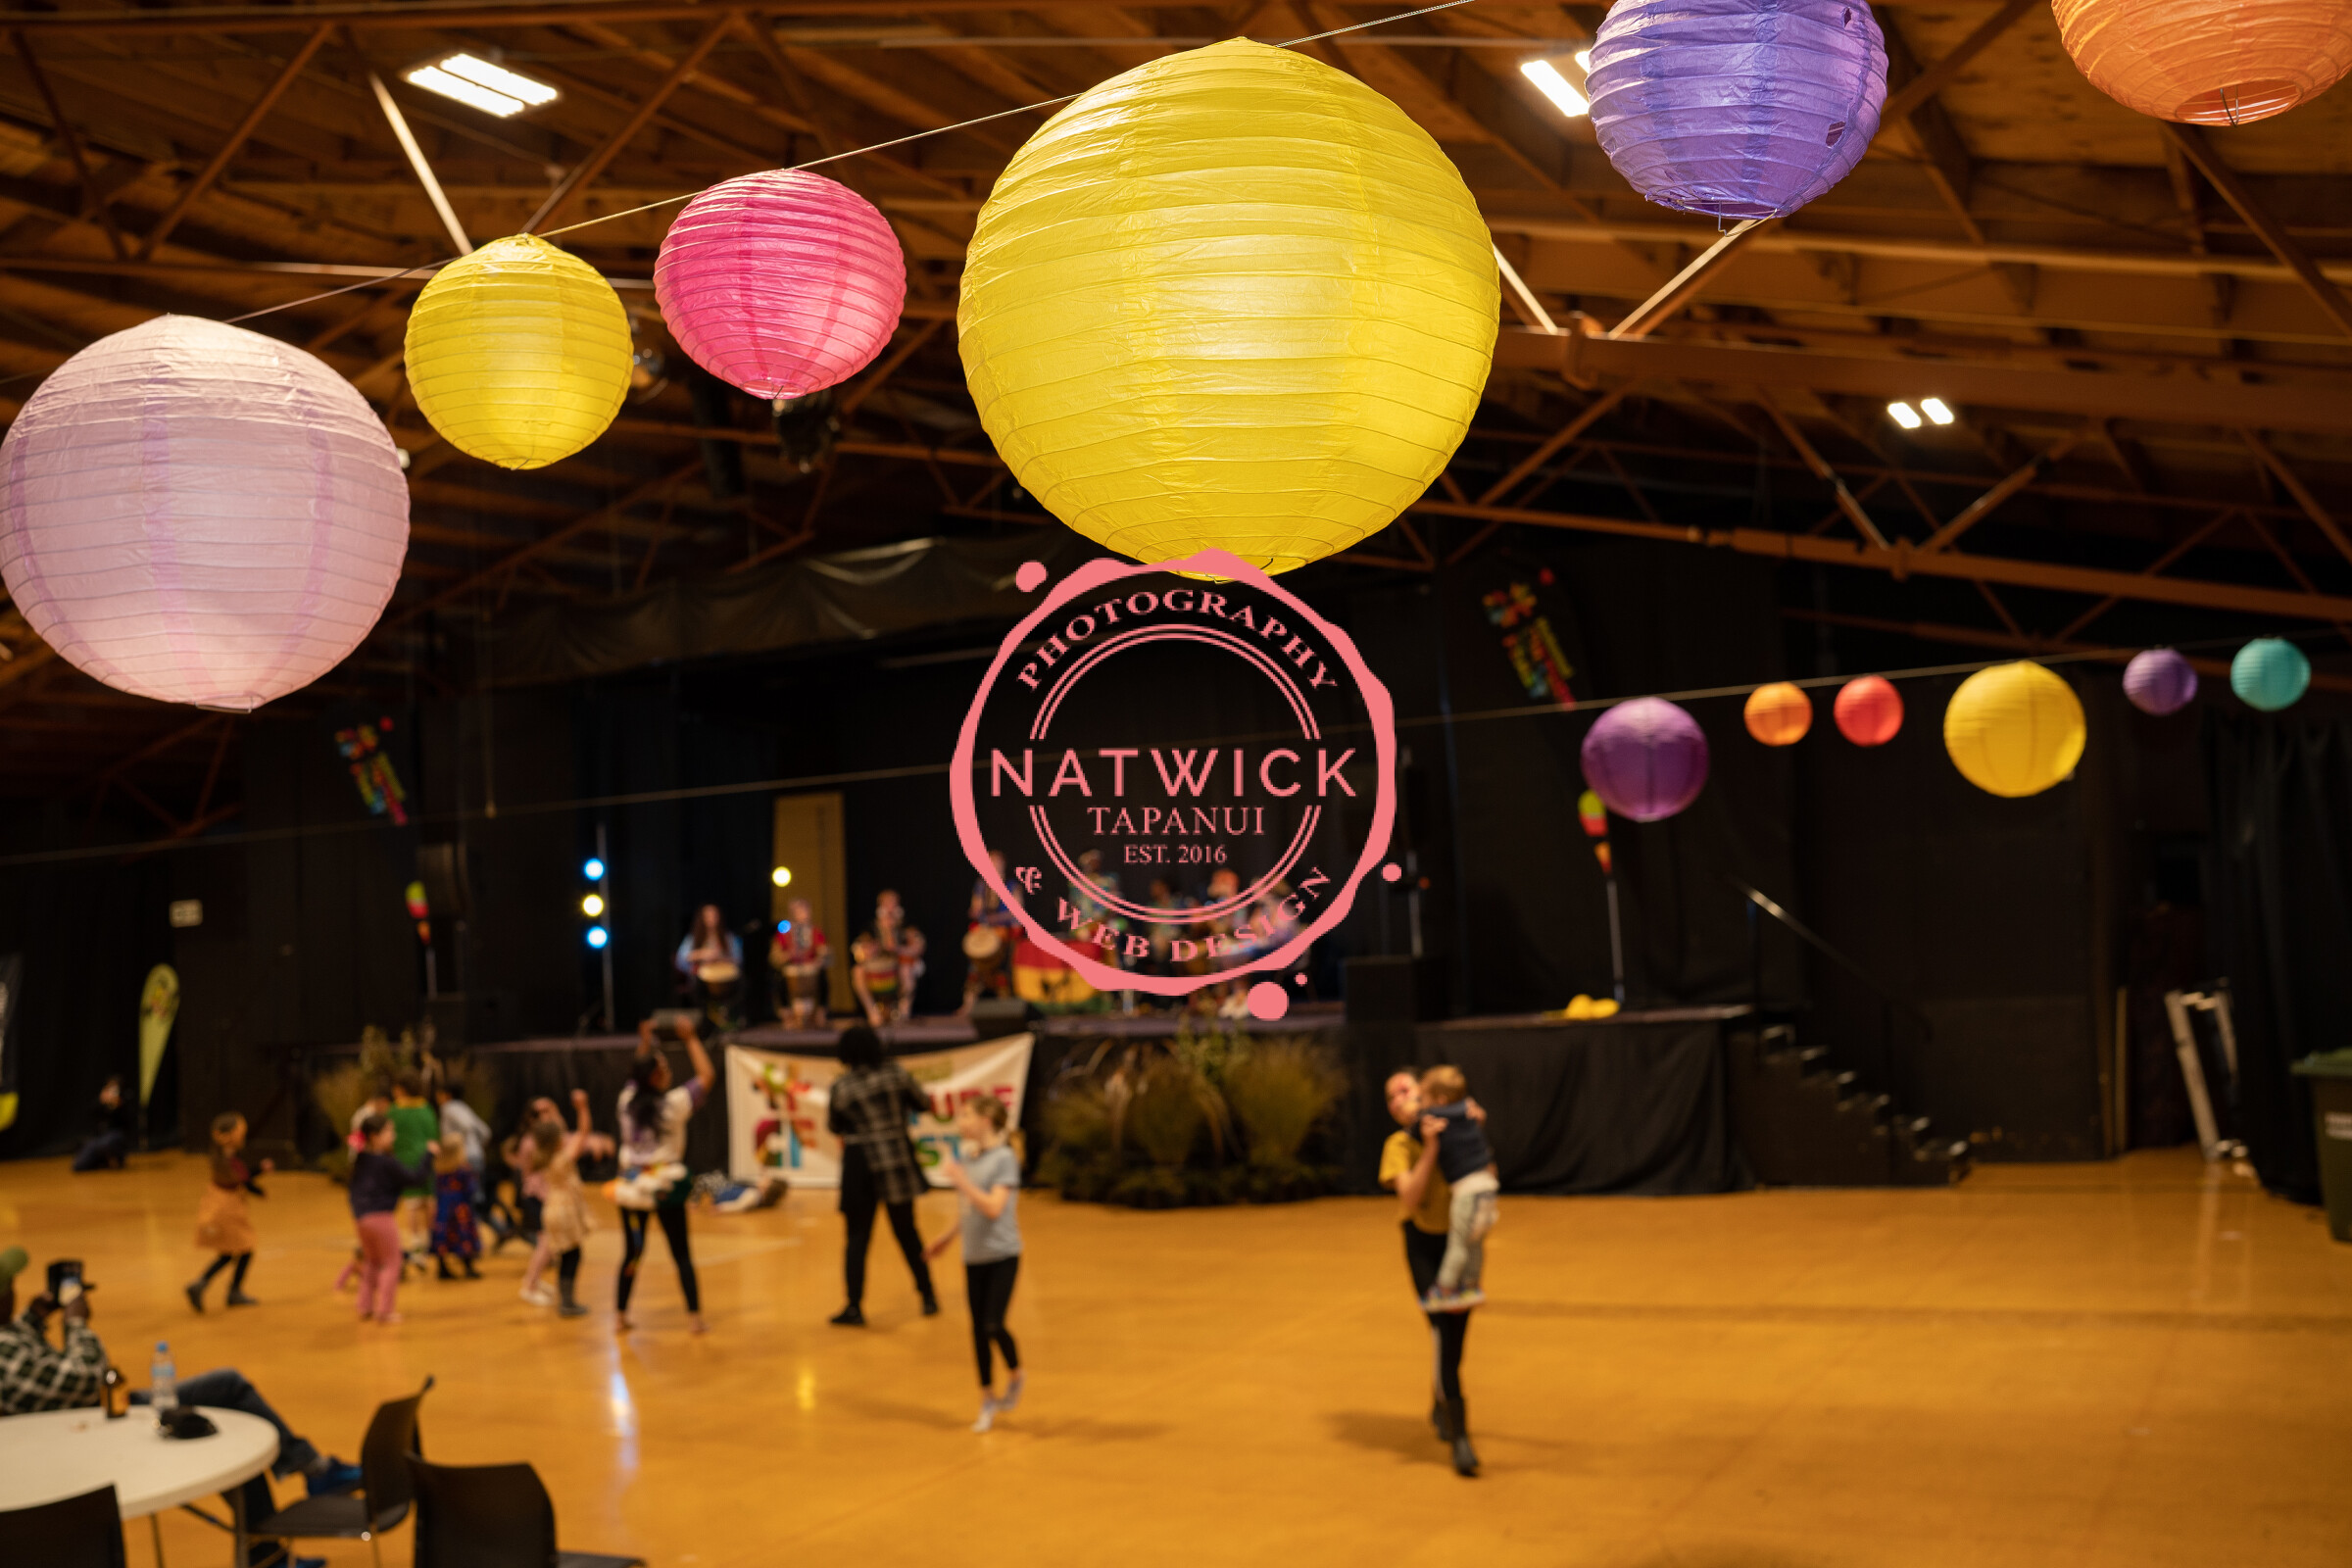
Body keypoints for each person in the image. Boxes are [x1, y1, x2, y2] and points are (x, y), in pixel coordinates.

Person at [0, 1246, 357, 1568]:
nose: (15, 1292)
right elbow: (85, 1376)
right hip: (91, 1432)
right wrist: (76, 1323)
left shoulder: (9, 1336)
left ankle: (276, 1533)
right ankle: (305, 1484)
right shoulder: (5, 1355)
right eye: (9, 1288)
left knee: (226, 1408)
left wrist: (34, 1317)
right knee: (226, 1396)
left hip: (96, 1414)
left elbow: (27, 1354)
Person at [1379, 1070, 1482, 1477]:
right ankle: (1461, 1437)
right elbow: (1412, 1196)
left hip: (1460, 1244)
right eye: (1391, 1097)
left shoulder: (1458, 1126)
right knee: (1441, 1329)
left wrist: (1471, 1127)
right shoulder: (1398, 1145)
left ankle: (1440, 1399)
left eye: (1405, 1089)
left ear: (1426, 1094)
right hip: (1422, 1245)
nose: (1399, 1099)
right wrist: (1431, 1148)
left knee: (1456, 1336)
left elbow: (1483, 1174)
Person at [924, 1095, 1024, 1432]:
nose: (960, 1122)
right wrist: (947, 1238)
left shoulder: (1004, 1159)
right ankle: (987, 1399)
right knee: (977, 1331)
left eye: (966, 1115)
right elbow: (968, 1208)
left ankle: (1016, 1374)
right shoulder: (969, 1157)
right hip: (973, 1256)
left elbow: (994, 1207)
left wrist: (960, 1180)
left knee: (993, 1324)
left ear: (986, 1121)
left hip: (1003, 1255)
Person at [826, 1023, 938, 1325]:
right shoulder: (896, 1074)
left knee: (857, 1237)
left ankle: (854, 1306)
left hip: (859, 1163)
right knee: (907, 1231)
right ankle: (928, 1296)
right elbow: (923, 1103)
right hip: (895, 1158)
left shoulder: (842, 1087)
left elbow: (834, 1126)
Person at [615, 1018, 715, 1333]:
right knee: (681, 1252)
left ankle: (619, 1315)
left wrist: (645, 1041)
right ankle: (694, 1318)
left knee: (633, 1251)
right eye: (664, 1067)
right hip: (663, 1188)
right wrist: (691, 1038)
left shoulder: (625, 1102)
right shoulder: (673, 1105)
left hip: (632, 1189)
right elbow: (707, 1076)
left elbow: (636, 1073)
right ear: (656, 1076)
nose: (669, 1071)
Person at [1418, 1064, 1498, 1313]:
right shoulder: (1467, 1111)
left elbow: (1416, 1121)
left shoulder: (1436, 1117)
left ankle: (1443, 1289)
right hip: (1488, 1189)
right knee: (1474, 1241)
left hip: (1468, 1191)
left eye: (1424, 1098)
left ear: (1440, 1100)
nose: (1421, 1103)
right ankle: (1471, 1285)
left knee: (1459, 1242)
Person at [530, 1090, 609, 1318]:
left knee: (567, 1256)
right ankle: (567, 1301)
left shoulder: (544, 1156)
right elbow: (583, 1132)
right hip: (564, 1211)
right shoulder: (562, 1159)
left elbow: (560, 1131)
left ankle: (566, 1299)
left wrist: (553, 1111)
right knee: (572, 1256)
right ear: (557, 1141)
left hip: (552, 1209)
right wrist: (583, 1108)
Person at [349, 1113, 433, 1325]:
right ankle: (385, 1311)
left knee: (372, 1261)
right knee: (392, 1262)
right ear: (375, 1136)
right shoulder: (385, 1163)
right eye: (389, 1131)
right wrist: (429, 1155)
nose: (393, 1136)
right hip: (381, 1217)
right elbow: (414, 1179)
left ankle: (365, 1306)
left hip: (361, 1218)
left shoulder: (361, 1159)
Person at [187, 1112, 268, 1312]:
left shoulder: (221, 1155)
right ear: (230, 1135)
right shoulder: (228, 1159)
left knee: (230, 1252)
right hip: (226, 1208)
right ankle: (232, 1291)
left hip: (219, 1203)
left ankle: (202, 1284)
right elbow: (243, 1180)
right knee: (245, 1247)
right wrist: (260, 1186)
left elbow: (242, 1177)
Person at [851, 890, 925, 1026]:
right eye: (887, 903)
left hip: (898, 965)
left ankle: (903, 1012)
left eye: (893, 903)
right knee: (857, 971)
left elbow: (919, 947)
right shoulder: (871, 928)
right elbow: (859, 950)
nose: (890, 908)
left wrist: (898, 948)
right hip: (877, 967)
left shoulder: (905, 926)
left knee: (906, 970)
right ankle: (873, 1014)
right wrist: (871, 949)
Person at [387, 1072, 438, 1260]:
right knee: (429, 1201)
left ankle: (416, 1245)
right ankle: (432, 1241)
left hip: (405, 1161)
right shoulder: (426, 1109)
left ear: (401, 1089)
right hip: (427, 1158)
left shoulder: (395, 1110)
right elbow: (434, 1135)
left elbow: (390, 1137)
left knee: (413, 1204)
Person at [675, 904, 744, 1026]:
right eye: (708, 916)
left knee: (742, 981)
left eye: (714, 916)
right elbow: (681, 959)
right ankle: (705, 1020)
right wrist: (702, 954)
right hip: (702, 978)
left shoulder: (727, 937)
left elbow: (738, 959)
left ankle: (730, 1018)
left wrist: (721, 957)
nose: (711, 919)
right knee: (696, 984)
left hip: (725, 978)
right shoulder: (694, 938)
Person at [769, 898, 832, 1028]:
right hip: (791, 969)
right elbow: (775, 956)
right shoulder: (784, 933)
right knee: (779, 979)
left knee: (823, 978)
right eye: (800, 911)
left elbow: (825, 952)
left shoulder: (815, 932)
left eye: (805, 910)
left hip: (811, 968)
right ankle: (787, 1014)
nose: (804, 914)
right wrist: (787, 955)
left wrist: (819, 960)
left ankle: (820, 1013)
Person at [71, 1074, 138, 1171]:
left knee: (106, 1143)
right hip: (99, 1137)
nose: (112, 1092)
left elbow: (130, 1120)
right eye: (109, 1087)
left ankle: (117, 1158)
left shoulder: (126, 1099)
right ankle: (102, 1161)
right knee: (79, 1165)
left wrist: (119, 1106)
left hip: (116, 1135)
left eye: (115, 1088)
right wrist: (101, 1102)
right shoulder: (102, 1101)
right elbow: (91, 1113)